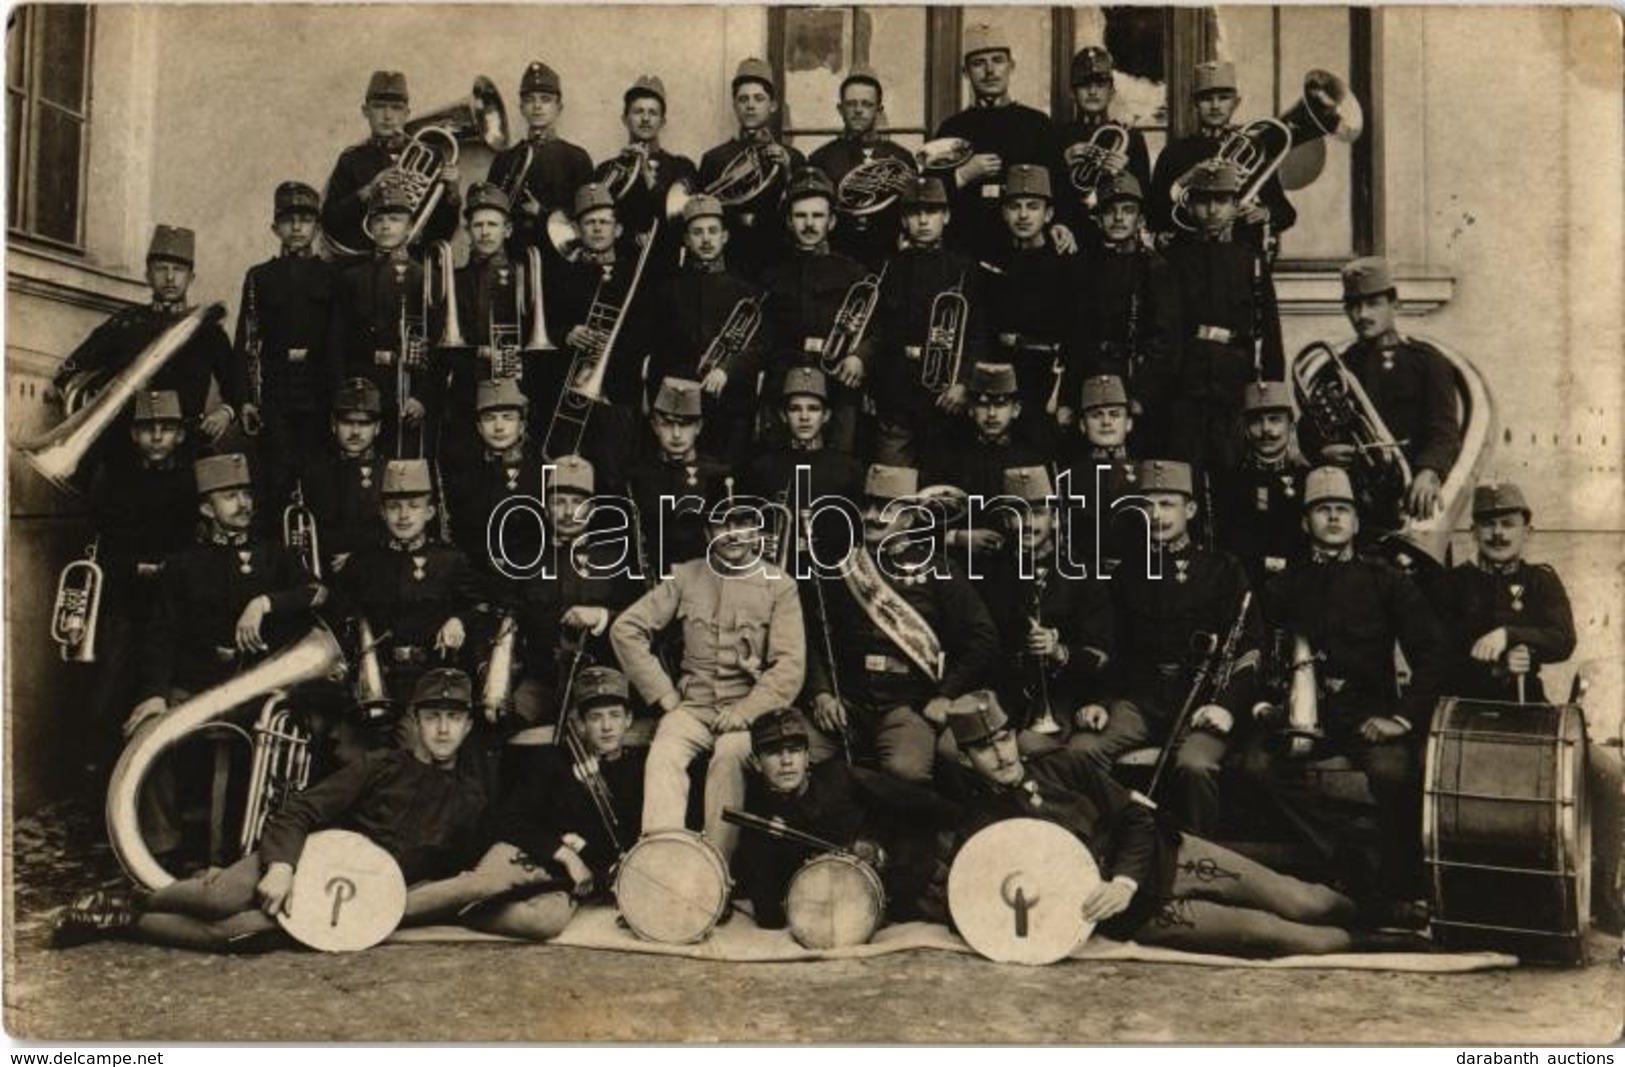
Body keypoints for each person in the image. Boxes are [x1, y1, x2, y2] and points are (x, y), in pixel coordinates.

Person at [54, 669, 505, 951]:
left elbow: (447, 875)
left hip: (353, 893)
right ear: (415, 721)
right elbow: (299, 811)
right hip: (305, 855)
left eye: (453, 718)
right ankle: (133, 898)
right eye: (432, 717)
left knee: (237, 932)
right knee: (219, 898)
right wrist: (283, 867)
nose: (443, 728)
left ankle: (123, 922)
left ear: (467, 725)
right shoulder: (380, 765)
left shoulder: (471, 801)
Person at [944, 691, 1421, 957]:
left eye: (1004, 738)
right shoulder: (982, 829)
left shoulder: (1064, 765)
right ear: (966, 760)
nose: (1002, 753)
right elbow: (988, 904)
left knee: (1305, 900)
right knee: (1285, 937)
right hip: (1139, 915)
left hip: (1169, 855)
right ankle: (1404, 949)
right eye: (984, 748)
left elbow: (1135, 814)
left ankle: (1401, 915)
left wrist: (1125, 879)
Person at [1250, 466, 1445, 918]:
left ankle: (1398, 890)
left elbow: (1434, 654)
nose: (1333, 518)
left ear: (1357, 522)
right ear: (1306, 523)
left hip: (1367, 718)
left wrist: (1401, 718)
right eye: (1322, 510)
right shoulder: (1281, 586)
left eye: (1342, 510)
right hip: (1300, 720)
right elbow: (1257, 653)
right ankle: (1346, 856)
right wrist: (1265, 705)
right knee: (1256, 767)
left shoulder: (1387, 581)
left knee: (1396, 774)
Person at [1437, 481, 1623, 933]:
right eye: (1489, 525)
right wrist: (1482, 660)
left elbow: (1563, 638)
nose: (1498, 535)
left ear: (1527, 531)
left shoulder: (1542, 579)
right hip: (1469, 715)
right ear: (1473, 532)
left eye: (1508, 524)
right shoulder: (1452, 583)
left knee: (1608, 775)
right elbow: (1434, 650)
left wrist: (1516, 639)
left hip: (1530, 712)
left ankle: (1602, 894)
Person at [126, 454, 328, 863]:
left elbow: (318, 592)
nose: (243, 504)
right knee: (147, 735)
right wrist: (154, 694)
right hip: (198, 685)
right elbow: (160, 636)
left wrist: (264, 602)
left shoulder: (275, 554)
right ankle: (163, 851)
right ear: (206, 508)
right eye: (230, 496)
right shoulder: (182, 565)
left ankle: (272, 843)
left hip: (261, 685)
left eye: (246, 494)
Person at [611, 496, 807, 863]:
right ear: (708, 531)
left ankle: (715, 875)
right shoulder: (686, 576)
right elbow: (626, 629)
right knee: (665, 750)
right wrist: (664, 696)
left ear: (757, 531)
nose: (732, 534)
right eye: (722, 524)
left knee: (729, 757)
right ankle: (658, 864)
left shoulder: (779, 585)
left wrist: (747, 711)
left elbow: (789, 667)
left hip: (751, 715)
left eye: (743, 523)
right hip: (694, 707)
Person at [1072, 459, 1260, 836]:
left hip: (1201, 699)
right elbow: (1113, 646)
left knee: (1195, 766)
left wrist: (1225, 707)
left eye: (1167, 504)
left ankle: (1202, 858)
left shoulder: (1222, 569)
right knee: (1080, 752)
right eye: (1147, 505)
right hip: (1140, 699)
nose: (1156, 515)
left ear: (1189, 510)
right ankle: (1102, 839)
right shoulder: (1127, 571)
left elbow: (1249, 648)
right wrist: (1098, 700)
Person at [803, 464, 1000, 783]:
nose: (870, 516)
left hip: (906, 707)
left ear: (909, 518)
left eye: (885, 509)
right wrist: (822, 694)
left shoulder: (938, 570)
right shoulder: (840, 569)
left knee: (905, 772)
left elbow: (984, 638)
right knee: (792, 761)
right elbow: (810, 636)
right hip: (845, 705)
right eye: (867, 506)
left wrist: (946, 694)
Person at [475, 666, 646, 941]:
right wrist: (565, 855)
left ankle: (461, 914)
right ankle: (397, 910)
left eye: (615, 715)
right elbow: (509, 819)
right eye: (595, 717)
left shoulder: (638, 770)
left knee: (544, 923)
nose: (606, 727)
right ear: (579, 723)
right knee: (472, 888)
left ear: (628, 719)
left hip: (562, 882)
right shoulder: (552, 761)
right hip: (524, 856)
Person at [80, 390, 200, 781]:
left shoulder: (192, 481)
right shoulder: (114, 481)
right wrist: (139, 568)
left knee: (168, 694)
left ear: (180, 435)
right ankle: (102, 797)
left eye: (167, 429)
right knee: (109, 696)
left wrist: (172, 570)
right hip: (125, 602)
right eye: (148, 429)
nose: (157, 437)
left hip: (177, 608)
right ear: (134, 435)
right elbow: (102, 543)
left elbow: (199, 544)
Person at [49, 224, 241, 463]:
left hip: (184, 451)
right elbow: (70, 369)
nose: (170, 278)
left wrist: (226, 412)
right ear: (147, 275)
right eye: (161, 269)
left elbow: (239, 387)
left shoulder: (207, 331)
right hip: (124, 450)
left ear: (191, 278)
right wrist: (95, 403)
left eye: (179, 270)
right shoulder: (125, 324)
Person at [1298, 256, 1463, 530]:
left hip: (1412, 501)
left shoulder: (1427, 361)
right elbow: (1309, 430)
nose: (1362, 315)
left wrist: (1429, 471)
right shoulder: (1338, 366)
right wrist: (1324, 450)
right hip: (1354, 504)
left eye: (1373, 304)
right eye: (1353, 306)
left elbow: (1445, 432)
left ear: (1394, 303)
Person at [329, 458, 483, 726]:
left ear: (430, 512)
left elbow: (479, 606)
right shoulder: (363, 563)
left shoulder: (450, 560)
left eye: (414, 506)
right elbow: (340, 613)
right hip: (374, 681)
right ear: (382, 511)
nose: (403, 516)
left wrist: (459, 620)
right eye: (394, 507)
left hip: (432, 682)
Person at [1160, 158, 1284, 474]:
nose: (1212, 210)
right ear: (1190, 207)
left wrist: (1271, 395)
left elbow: (1269, 331)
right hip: (1187, 384)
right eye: (1203, 201)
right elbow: (1166, 330)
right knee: (1184, 474)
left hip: (1236, 384)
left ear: (1234, 205)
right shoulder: (1173, 260)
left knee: (1233, 476)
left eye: (1222, 200)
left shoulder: (1251, 260)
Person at [502, 455, 643, 730]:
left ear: (591, 509)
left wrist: (602, 616)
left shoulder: (616, 559)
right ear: (545, 508)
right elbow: (508, 617)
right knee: (506, 723)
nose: (568, 512)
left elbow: (642, 621)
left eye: (577, 503)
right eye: (558, 502)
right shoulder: (526, 559)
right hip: (541, 682)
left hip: (604, 681)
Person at [978, 466, 1112, 752]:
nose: (1026, 523)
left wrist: (1059, 651)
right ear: (1005, 518)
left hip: (1062, 694)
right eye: (1017, 513)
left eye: (1037, 513)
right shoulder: (990, 572)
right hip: (1004, 691)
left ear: (1055, 518)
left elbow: (1101, 657)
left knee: (1028, 747)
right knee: (952, 749)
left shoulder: (1083, 572)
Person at [639, 193, 766, 468]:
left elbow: (760, 347)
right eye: (697, 232)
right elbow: (652, 349)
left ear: (725, 237)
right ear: (686, 239)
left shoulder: (747, 291)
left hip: (730, 406)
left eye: (712, 231)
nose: (706, 239)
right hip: (678, 410)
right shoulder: (666, 290)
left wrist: (726, 370)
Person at [234, 182, 337, 510]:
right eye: (288, 220)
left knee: (318, 480)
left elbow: (338, 343)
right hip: (275, 391)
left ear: (317, 227)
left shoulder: (331, 277)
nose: (296, 228)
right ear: (275, 227)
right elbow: (247, 340)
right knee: (274, 479)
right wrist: (247, 399)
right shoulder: (260, 276)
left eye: (305, 220)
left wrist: (337, 401)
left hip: (318, 390)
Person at [731, 707, 883, 930]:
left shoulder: (839, 778)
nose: (786, 761)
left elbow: (908, 803)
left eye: (794, 750)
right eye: (774, 752)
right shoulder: (758, 816)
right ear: (755, 762)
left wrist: (875, 847)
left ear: (807, 757)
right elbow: (769, 917)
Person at [933, 23, 1075, 260]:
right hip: (966, 252)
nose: (990, 71)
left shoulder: (1037, 125)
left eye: (998, 60)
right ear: (965, 72)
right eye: (979, 63)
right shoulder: (951, 129)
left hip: (1027, 255)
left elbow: (1060, 186)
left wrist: (1062, 223)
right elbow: (929, 194)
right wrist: (963, 175)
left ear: (1011, 66)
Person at [872, 176, 988, 466]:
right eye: (914, 212)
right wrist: (876, 387)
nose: (923, 221)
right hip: (896, 392)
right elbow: (878, 331)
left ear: (946, 216)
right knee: (893, 487)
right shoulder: (888, 267)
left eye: (932, 212)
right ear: (903, 220)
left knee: (943, 489)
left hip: (945, 396)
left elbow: (978, 334)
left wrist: (963, 383)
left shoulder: (964, 268)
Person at [759, 167, 873, 455]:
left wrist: (860, 357)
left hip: (838, 385)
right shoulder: (771, 277)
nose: (809, 224)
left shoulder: (854, 272)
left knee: (840, 466)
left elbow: (877, 328)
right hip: (784, 383)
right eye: (801, 216)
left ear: (832, 221)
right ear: (789, 221)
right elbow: (761, 336)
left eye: (818, 216)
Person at [1064, 173, 1180, 454]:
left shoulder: (1155, 269)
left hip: (1134, 383)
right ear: (1099, 218)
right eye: (1110, 211)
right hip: (1089, 381)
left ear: (1139, 220)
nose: (1118, 218)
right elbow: (1072, 336)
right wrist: (1068, 398)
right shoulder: (1083, 267)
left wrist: (1142, 395)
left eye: (1127, 211)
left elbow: (1166, 341)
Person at [326, 176, 438, 458]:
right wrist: (343, 394)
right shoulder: (351, 278)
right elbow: (336, 342)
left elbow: (438, 344)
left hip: (407, 387)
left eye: (395, 219)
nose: (386, 226)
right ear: (370, 226)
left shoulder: (424, 277)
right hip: (362, 385)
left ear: (410, 226)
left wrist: (422, 397)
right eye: (379, 220)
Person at [1147, 60, 1295, 250]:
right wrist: (1187, 179)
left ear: (1236, 103)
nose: (1215, 105)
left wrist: (1264, 212)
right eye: (1207, 99)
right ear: (1195, 104)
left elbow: (1286, 213)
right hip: (1189, 258)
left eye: (1223, 98)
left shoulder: (1253, 150)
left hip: (1241, 257)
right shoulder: (1174, 153)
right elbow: (1153, 215)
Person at [978, 165, 1073, 450]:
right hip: (1001, 371)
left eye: (1033, 207)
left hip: (1047, 378)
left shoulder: (1065, 265)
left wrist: (1067, 397)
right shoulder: (991, 262)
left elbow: (1079, 335)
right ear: (1004, 213)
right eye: (1014, 206)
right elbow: (981, 324)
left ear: (1049, 214)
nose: (1022, 215)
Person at [320, 70, 461, 261]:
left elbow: (443, 231)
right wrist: (367, 192)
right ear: (365, 111)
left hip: (413, 266)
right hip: (364, 266)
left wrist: (452, 193)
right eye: (379, 107)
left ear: (407, 114)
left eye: (396, 108)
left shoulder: (431, 156)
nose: (387, 116)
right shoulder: (351, 160)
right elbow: (330, 222)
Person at [435, 181, 528, 466]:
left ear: (507, 230)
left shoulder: (524, 275)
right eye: (478, 226)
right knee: (465, 462)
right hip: (466, 386)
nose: (485, 232)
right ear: (468, 231)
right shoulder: (455, 279)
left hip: (515, 384)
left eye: (493, 224)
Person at [697, 59, 806, 275]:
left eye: (759, 99)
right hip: (729, 255)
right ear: (734, 105)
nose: (750, 105)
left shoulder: (793, 156)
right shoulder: (714, 158)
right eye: (743, 99)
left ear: (773, 105)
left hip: (778, 254)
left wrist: (787, 168)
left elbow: (802, 209)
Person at [925, 362, 1041, 562]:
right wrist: (959, 538)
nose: (992, 414)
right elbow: (923, 520)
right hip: (958, 565)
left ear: (1016, 410)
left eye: (1002, 404)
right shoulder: (950, 456)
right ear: (970, 409)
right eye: (983, 403)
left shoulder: (1031, 460)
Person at [807, 65, 918, 271]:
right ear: (840, 109)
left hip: (890, 260)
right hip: (837, 259)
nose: (858, 110)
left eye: (866, 104)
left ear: (879, 110)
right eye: (851, 104)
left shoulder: (901, 158)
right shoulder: (820, 159)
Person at [1208, 380, 1310, 591]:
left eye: (1275, 420)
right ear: (1245, 429)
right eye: (1256, 421)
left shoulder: (1308, 479)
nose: (1266, 430)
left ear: (1290, 426)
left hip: (1303, 587)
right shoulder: (1230, 483)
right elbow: (1229, 547)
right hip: (1248, 587)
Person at [622, 377, 732, 572]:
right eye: (666, 424)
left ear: (698, 427)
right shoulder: (638, 476)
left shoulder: (718, 475)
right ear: (655, 426)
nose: (676, 434)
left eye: (685, 424)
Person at [484, 61, 593, 258]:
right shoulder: (505, 159)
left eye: (545, 99)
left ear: (559, 108)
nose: (537, 106)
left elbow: (586, 221)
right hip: (513, 256)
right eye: (529, 100)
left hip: (560, 262)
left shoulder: (576, 158)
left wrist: (541, 213)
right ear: (521, 108)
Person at [443, 378, 545, 573]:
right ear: (479, 428)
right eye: (490, 418)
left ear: (522, 425)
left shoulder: (541, 471)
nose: (499, 427)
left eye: (508, 417)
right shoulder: (465, 474)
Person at [594, 74, 697, 263]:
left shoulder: (681, 167)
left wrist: (648, 177)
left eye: (653, 113)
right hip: (619, 267)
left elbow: (683, 221)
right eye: (638, 112)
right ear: (625, 119)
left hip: (665, 266)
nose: (646, 119)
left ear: (663, 122)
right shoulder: (605, 170)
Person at [1056, 374, 1144, 577]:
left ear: (1129, 423)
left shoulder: (1146, 475)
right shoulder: (1066, 479)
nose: (1106, 422)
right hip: (1084, 579)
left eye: (1115, 414)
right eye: (1096, 415)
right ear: (1082, 425)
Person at [1057, 46, 1152, 234]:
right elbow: (1045, 194)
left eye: (1100, 86)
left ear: (1112, 93)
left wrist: (1125, 174)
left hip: (1116, 233)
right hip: (1071, 231)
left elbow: (1145, 197)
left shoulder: (1131, 138)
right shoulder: (1057, 136)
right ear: (1072, 93)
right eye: (1084, 85)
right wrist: (1063, 164)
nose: (1092, 92)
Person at [301, 378, 389, 570]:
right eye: (347, 422)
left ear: (378, 427)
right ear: (333, 424)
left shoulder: (389, 473)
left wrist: (358, 560)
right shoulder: (315, 473)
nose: (355, 431)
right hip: (325, 576)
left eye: (364, 423)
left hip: (377, 576)